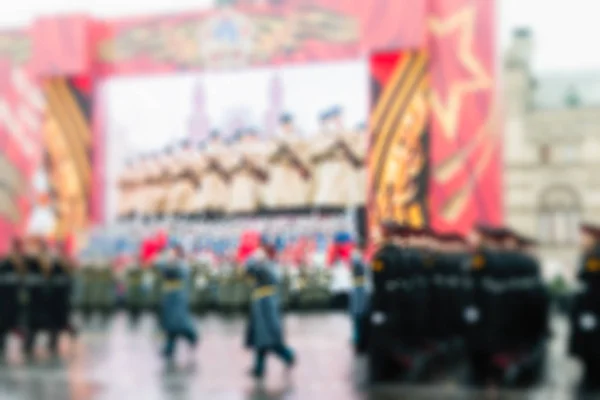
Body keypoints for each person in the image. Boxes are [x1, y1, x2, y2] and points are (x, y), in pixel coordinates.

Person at [244, 238, 295, 379]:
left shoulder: (271, 265)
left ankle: (289, 356)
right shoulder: (259, 263)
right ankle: (259, 369)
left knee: (271, 339)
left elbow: (267, 274)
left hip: (268, 306)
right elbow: (247, 269)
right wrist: (253, 258)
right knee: (260, 338)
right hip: (259, 304)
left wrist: (259, 261)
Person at [155, 243, 198, 362]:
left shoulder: (182, 264)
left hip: (178, 297)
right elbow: (158, 264)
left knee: (180, 323)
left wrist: (171, 260)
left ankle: (192, 336)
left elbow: (175, 271)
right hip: (169, 297)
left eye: (173, 252)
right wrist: (166, 258)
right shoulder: (169, 263)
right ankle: (169, 348)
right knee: (169, 323)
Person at [570, 223, 600, 392]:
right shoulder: (589, 255)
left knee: (592, 347)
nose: (581, 240)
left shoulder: (595, 257)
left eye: (584, 237)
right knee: (588, 346)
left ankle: (592, 380)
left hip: (592, 310)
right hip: (587, 308)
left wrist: (592, 313)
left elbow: (595, 286)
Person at [23, 238, 60, 358]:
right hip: (36, 299)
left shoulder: (52, 261)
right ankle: (28, 345)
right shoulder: (33, 261)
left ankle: (52, 345)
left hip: (49, 300)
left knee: (51, 324)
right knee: (33, 325)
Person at [0, 238, 28, 356]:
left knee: (20, 319)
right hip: (5, 296)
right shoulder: (6, 260)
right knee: (4, 319)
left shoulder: (25, 261)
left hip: (18, 295)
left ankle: (24, 341)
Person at [349, 244, 369, 353]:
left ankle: (358, 340)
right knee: (358, 319)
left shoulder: (360, 263)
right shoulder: (360, 263)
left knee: (358, 319)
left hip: (359, 293)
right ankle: (358, 340)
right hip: (359, 293)